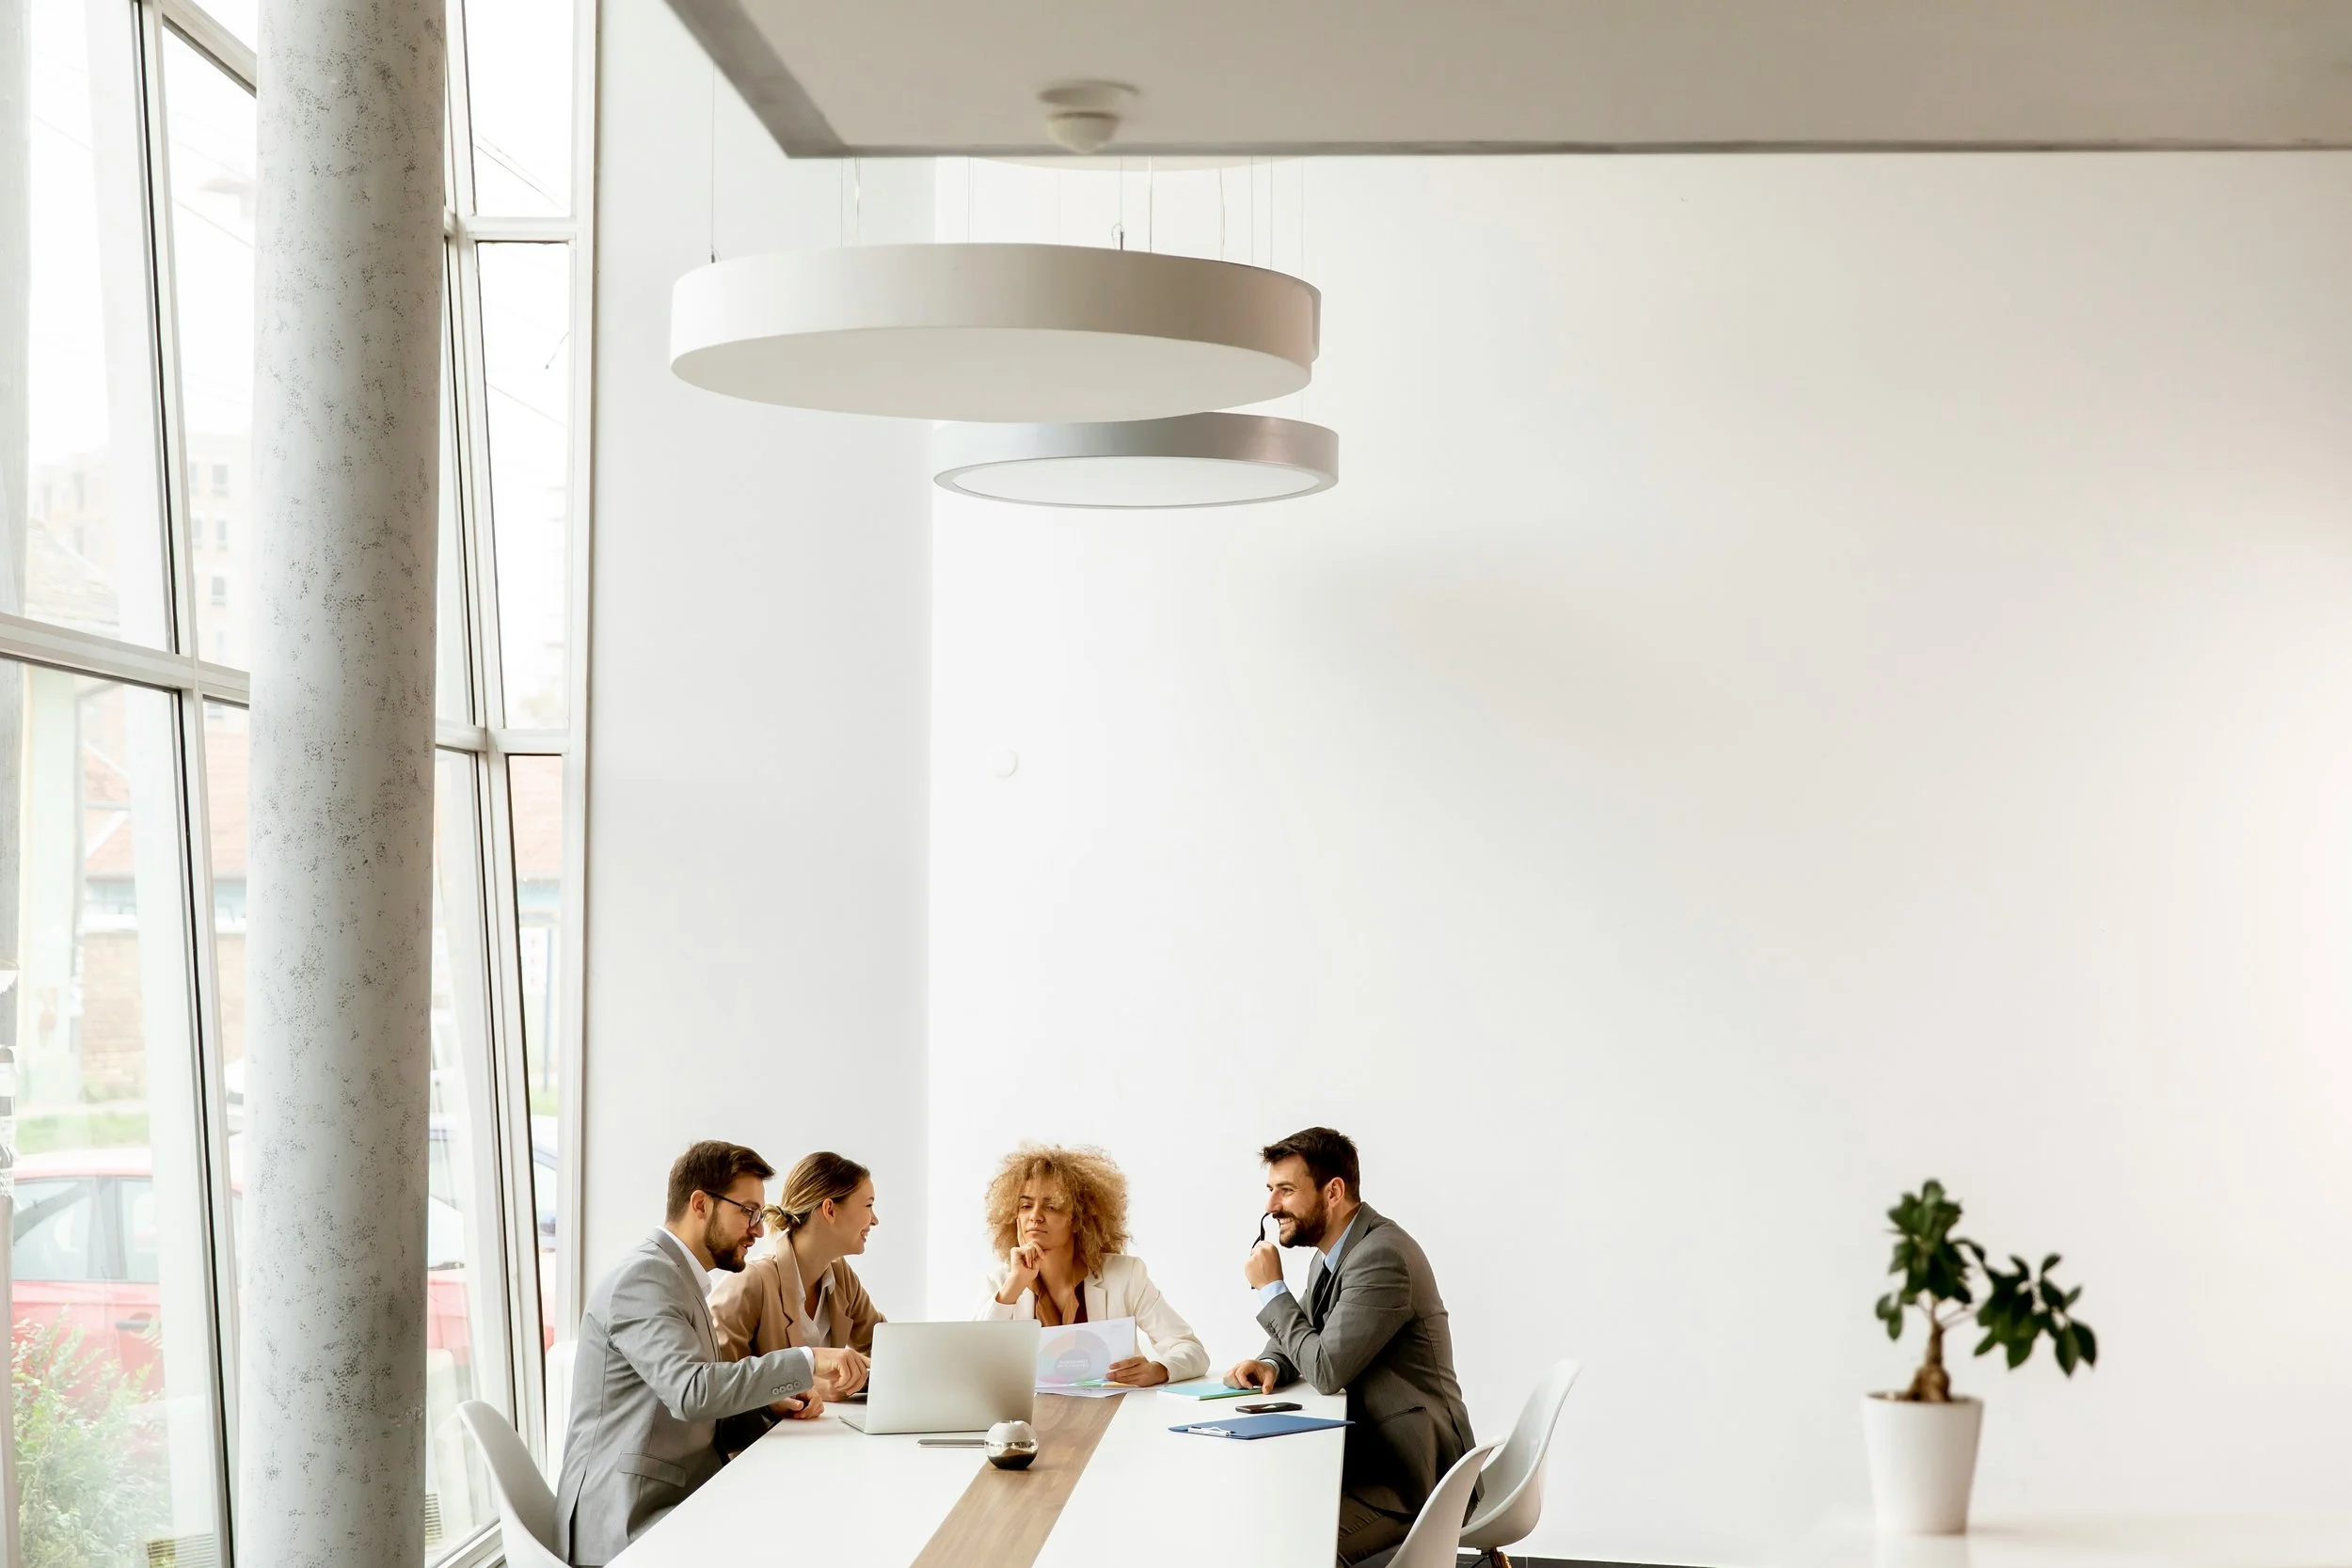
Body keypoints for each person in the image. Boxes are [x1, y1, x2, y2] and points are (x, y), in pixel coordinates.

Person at [555, 1141, 869, 1565]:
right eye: (748, 1212)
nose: (759, 1229)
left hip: (675, 1497)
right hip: (627, 1520)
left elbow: (698, 1403)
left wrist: (771, 1405)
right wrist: (808, 1362)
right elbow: (693, 1393)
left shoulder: (681, 1279)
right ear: (700, 1204)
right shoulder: (644, 1278)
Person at [1225, 1127, 1476, 1567]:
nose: (1271, 1206)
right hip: (1371, 1458)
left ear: (1333, 1191)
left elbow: (1325, 1369)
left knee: (1291, 1550)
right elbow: (1307, 1326)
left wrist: (1270, 1290)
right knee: (1261, 1516)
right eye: (1270, 1190)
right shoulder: (1334, 1252)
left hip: (1412, 1479)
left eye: (1285, 1190)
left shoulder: (1381, 1258)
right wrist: (1270, 1362)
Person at [974, 1144, 1209, 1385]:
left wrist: (1159, 1370)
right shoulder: (1002, 1283)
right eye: (1025, 1206)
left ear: (1078, 1219)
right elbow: (972, 1363)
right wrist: (1016, 1284)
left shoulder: (1127, 1276)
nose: (1035, 1216)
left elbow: (1191, 1351)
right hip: (1033, 1416)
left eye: (1051, 1206)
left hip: (1115, 1416)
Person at [707, 1150, 885, 1419]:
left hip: (813, 1437)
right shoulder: (750, 1282)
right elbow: (716, 1388)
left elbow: (885, 1346)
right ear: (829, 1209)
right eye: (868, 1205)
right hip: (757, 1451)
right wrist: (799, 1385)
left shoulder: (840, 1277)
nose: (874, 1220)